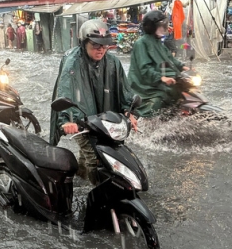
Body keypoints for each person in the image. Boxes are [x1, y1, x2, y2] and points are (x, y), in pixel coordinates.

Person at [50, 19, 138, 185]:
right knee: (95, 158)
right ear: (84, 43)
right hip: (81, 118)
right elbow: (65, 90)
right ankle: (95, 193)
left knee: (90, 155)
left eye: (104, 46)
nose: (101, 49)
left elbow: (124, 90)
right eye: (96, 45)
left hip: (104, 120)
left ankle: (79, 181)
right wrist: (68, 119)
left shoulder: (113, 63)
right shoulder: (73, 62)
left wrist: (130, 111)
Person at [128, 10, 189, 118]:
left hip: (158, 79)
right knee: (161, 97)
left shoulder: (158, 43)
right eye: (161, 26)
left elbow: (170, 58)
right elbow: (144, 69)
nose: (164, 28)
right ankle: (147, 121)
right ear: (152, 27)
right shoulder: (141, 43)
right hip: (144, 85)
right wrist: (161, 78)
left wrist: (182, 66)